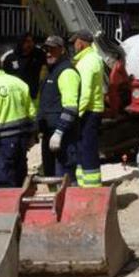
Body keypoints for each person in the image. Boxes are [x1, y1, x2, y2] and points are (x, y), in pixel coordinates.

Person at [0, 52, 36, 188]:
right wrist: (32, 135)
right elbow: (32, 112)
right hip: (21, 141)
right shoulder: (18, 83)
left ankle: (7, 209)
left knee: (4, 181)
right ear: (1, 64)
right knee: (20, 178)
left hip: (4, 143)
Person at [37, 35, 80, 180]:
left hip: (64, 138)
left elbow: (71, 107)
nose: (48, 53)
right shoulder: (51, 71)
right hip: (50, 135)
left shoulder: (66, 72)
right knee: (51, 176)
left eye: (53, 50)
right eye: (46, 50)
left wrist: (59, 132)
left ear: (62, 50)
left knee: (65, 178)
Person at [71, 29, 106, 188]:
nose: (73, 45)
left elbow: (85, 92)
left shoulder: (88, 61)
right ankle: (83, 184)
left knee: (87, 150)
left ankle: (92, 188)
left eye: (75, 42)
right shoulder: (88, 59)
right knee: (82, 148)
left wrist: (76, 114)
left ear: (81, 42)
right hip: (89, 110)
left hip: (88, 112)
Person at [3, 33, 47, 100]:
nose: (30, 44)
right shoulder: (10, 57)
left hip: (33, 96)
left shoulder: (39, 54)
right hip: (16, 96)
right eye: (27, 41)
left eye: (31, 41)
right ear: (20, 42)